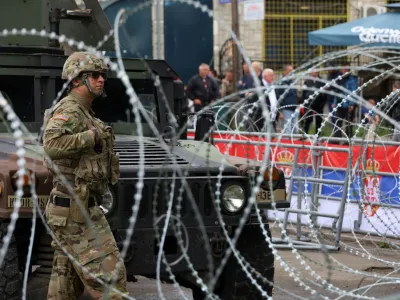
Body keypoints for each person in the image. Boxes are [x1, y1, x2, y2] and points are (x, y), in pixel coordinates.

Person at [43, 52, 128, 299]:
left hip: (70, 209)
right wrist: (90, 137)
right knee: (111, 283)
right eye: (94, 75)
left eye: (103, 75)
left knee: (65, 286)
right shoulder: (71, 110)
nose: (101, 80)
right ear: (77, 79)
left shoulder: (84, 111)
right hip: (76, 212)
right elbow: (51, 143)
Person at [277, 64, 299, 134]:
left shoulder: (292, 82)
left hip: (294, 109)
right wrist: (279, 111)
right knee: (287, 131)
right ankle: (286, 144)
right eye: (290, 71)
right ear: (285, 71)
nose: (292, 72)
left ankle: (294, 144)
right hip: (286, 110)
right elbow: (278, 97)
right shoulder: (281, 83)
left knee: (295, 131)